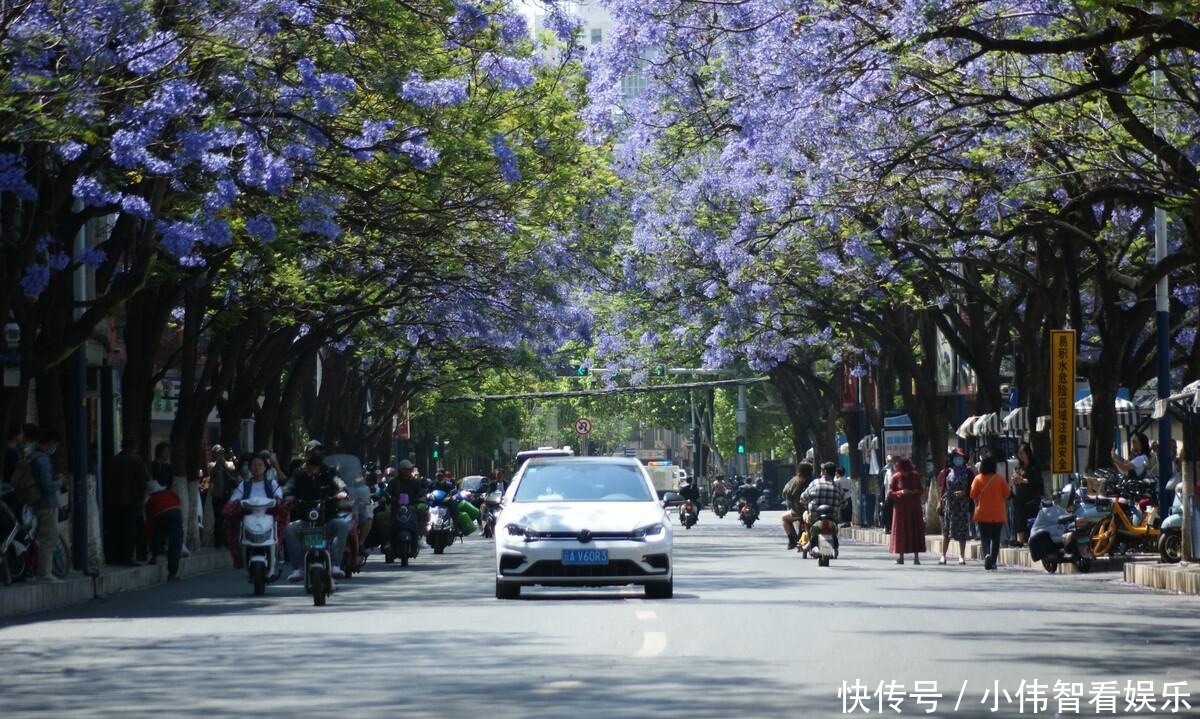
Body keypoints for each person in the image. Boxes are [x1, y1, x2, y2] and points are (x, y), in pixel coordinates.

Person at [283, 441, 350, 582]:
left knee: (342, 525)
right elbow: (288, 487)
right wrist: (288, 496)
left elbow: (339, 482)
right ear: (306, 455)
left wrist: (342, 491)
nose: (317, 455)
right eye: (313, 452)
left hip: (327, 520)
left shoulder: (329, 471)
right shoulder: (298, 473)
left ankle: (336, 565)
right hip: (305, 520)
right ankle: (298, 568)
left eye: (319, 452)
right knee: (290, 529)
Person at [223, 451, 287, 568]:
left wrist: (278, 501)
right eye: (254, 465)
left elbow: (279, 497)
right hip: (248, 517)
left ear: (265, 467)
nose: (257, 468)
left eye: (259, 465)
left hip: (268, 517)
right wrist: (232, 505)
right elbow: (234, 499)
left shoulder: (272, 484)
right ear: (250, 468)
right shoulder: (244, 485)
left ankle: (275, 554)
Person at [104, 436, 150, 566]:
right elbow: (142, 481)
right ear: (134, 446)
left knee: (116, 530)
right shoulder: (136, 460)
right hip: (131, 501)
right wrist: (143, 498)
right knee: (129, 531)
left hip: (114, 501)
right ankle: (127, 557)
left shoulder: (114, 460)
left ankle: (115, 557)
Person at [30, 428, 63, 582]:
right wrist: (60, 482)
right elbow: (47, 486)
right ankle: (44, 572)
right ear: (51, 443)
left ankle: (37, 569)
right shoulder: (42, 460)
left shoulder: (32, 456)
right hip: (46, 504)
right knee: (49, 537)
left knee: (40, 537)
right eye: (55, 444)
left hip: (35, 502)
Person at [970, 454, 1011, 570]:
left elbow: (972, 494)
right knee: (996, 538)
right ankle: (993, 560)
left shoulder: (977, 479)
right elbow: (1007, 494)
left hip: (983, 513)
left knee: (985, 537)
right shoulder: (1000, 479)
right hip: (998, 514)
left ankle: (987, 554)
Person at [800, 462, 844, 557]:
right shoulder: (837, 487)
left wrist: (806, 504)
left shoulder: (815, 483)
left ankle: (809, 538)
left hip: (814, 519)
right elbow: (844, 503)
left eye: (821, 470)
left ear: (824, 471)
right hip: (833, 520)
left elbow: (803, 498)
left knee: (805, 515)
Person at [936, 448, 972, 565]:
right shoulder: (947, 472)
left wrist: (965, 493)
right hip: (949, 505)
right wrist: (939, 502)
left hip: (962, 505)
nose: (958, 460)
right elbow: (942, 489)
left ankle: (961, 556)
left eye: (960, 458)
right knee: (946, 531)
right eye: (956, 457)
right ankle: (943, 555)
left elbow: (973, 488)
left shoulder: (968, 472)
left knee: (962, 530)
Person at [145, 476, 183, 581]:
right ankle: (172, 573)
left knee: (156, 534)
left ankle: (154, 557)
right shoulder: (170, 493)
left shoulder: (151, 501)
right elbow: (178, 502)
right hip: (176, 512)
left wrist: (152, 546)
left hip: (160, 515)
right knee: (175, 543)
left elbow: (150, 525)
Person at [888, 456, 925, 564]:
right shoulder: (895, 477)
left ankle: (916, 557)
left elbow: (921, 489)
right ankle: (901, 557)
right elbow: (890, 493)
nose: (906, 473)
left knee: (915, 530)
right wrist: (900, 492)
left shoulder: (915, 476)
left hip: (914, 508)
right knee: (901, 531)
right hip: (901, 510)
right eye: (904, 471)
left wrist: (914, 492)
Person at [1012, 443, 1043, 547]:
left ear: (1028, 454)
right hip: (1020, 497)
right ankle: (1020, 540)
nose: (1020, 456)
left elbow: (1036, 481)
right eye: (1019, 454)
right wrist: (1016, 479)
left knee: (1031, 519)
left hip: (1032, 497)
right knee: (1019, 518)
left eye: (1022, 453)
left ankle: (1031, 539)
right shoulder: (1019, 467)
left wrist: (1023, 480)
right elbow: (1016, 479)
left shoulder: (1034, 467)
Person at [208, 444, 237, 549]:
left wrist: (231, 457)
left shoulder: (227, 463)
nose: (220, 455)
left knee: (228, 519)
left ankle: (228, 541)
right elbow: (213, 472)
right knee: (218, 519)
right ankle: (218, 542)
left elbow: (234, 469)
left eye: (221, 452)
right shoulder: (212, 464)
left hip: (228, 494)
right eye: (218, 453)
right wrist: (219, 463)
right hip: (217, 495)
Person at [781, 463, 813, 549]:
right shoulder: (814, 480)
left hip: (798, 511)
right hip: (813, 511)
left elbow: (785, 493)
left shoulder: (795, 481)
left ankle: (792, 540)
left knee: (784, 518)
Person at [879, 455, 895, 533]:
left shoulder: (895, 471)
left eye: (891, 461)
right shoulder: (887, 471)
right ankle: (887, 527)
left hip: (893, 495)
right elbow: (885, 485)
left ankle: (891, 527)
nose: (890, 463)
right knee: (887, 512)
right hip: (888, 495)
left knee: (892, 512)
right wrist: (884, 497)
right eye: (888, 461)